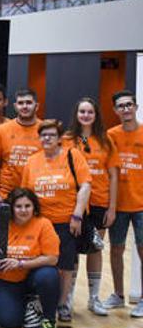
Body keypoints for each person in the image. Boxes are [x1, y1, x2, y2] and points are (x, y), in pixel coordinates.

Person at [22, 119, 91, 323]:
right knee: (40, 264)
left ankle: (62, 304)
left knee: (65, 265)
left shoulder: (73, 155)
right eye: (43, 135)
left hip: (66, 221)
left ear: (59, 138)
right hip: (40, 223)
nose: (47, 138)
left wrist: (77, 214)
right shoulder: (32, 161)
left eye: (52, 135)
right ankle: (40, 302)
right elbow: (27, 193)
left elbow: (85, 185)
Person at [63, 98, 118, 316]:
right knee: (73, 250)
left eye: (90, 112)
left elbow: (113, 176)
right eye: (82, 111)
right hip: (75, 205)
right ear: (76, 114)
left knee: (95, 249)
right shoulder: (68, 140)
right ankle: (68, 298)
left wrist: (112, 208)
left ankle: (94, 298)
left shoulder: (106, 140)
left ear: (96, 115)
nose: (86, 115)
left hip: (99, 204)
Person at [0, 188, 60, 328]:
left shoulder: (43, 224)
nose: (23, 210)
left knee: (49, 275)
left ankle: (49, 321)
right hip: (6, 279)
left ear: (34, 207)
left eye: (27, 206)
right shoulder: (1, 225)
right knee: (8, 323)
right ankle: (30, 305)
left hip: (33, 277)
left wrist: (20, 264)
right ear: (11, 208)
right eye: (18, 206)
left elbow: (52, 258)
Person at [106, 90, 143, 317]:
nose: (126, 109)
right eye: (121, 106)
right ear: (115, 111)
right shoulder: (110, 135)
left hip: (141, 205)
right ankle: (118, 295)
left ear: (136, 107)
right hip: (118, 205)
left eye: (129, 105)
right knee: (116, 250)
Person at [0, 89, 42, 201]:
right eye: (20, 103)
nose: (24, 106)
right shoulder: (1, 130)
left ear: (37, 106)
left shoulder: (45, 130)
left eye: (29, 103)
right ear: (15, 106)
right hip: (5, 195)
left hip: (36, 195)